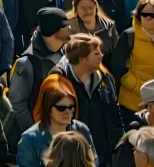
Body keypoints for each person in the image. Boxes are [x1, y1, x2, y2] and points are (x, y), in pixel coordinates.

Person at [49, 34, 122, 167]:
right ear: (82, 59)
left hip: (106, 156)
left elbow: (115, 115)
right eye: (96, 53)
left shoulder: (105, 79)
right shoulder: (59, 82)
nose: (101, 56)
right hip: (73, 158)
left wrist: (118, 148)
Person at [112, 0, 154, 121]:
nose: (147, 18)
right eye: (144, 14)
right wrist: (136, 86)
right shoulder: (128, 36)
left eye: (152, 15)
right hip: (132, 103)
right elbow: (117, 67)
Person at [11, 8, 72, 131]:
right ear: (54, 31)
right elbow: (18, 105)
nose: (70, 29)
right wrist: (35, 134)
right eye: (65, 27)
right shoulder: (26, 63)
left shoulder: (68, 55)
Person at [16, 76, 96, 167]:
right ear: (48, 108)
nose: (68, 112)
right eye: (61, 108)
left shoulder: (82, 130)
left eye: (71, 107)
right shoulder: (29, 139)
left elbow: (93, 161)